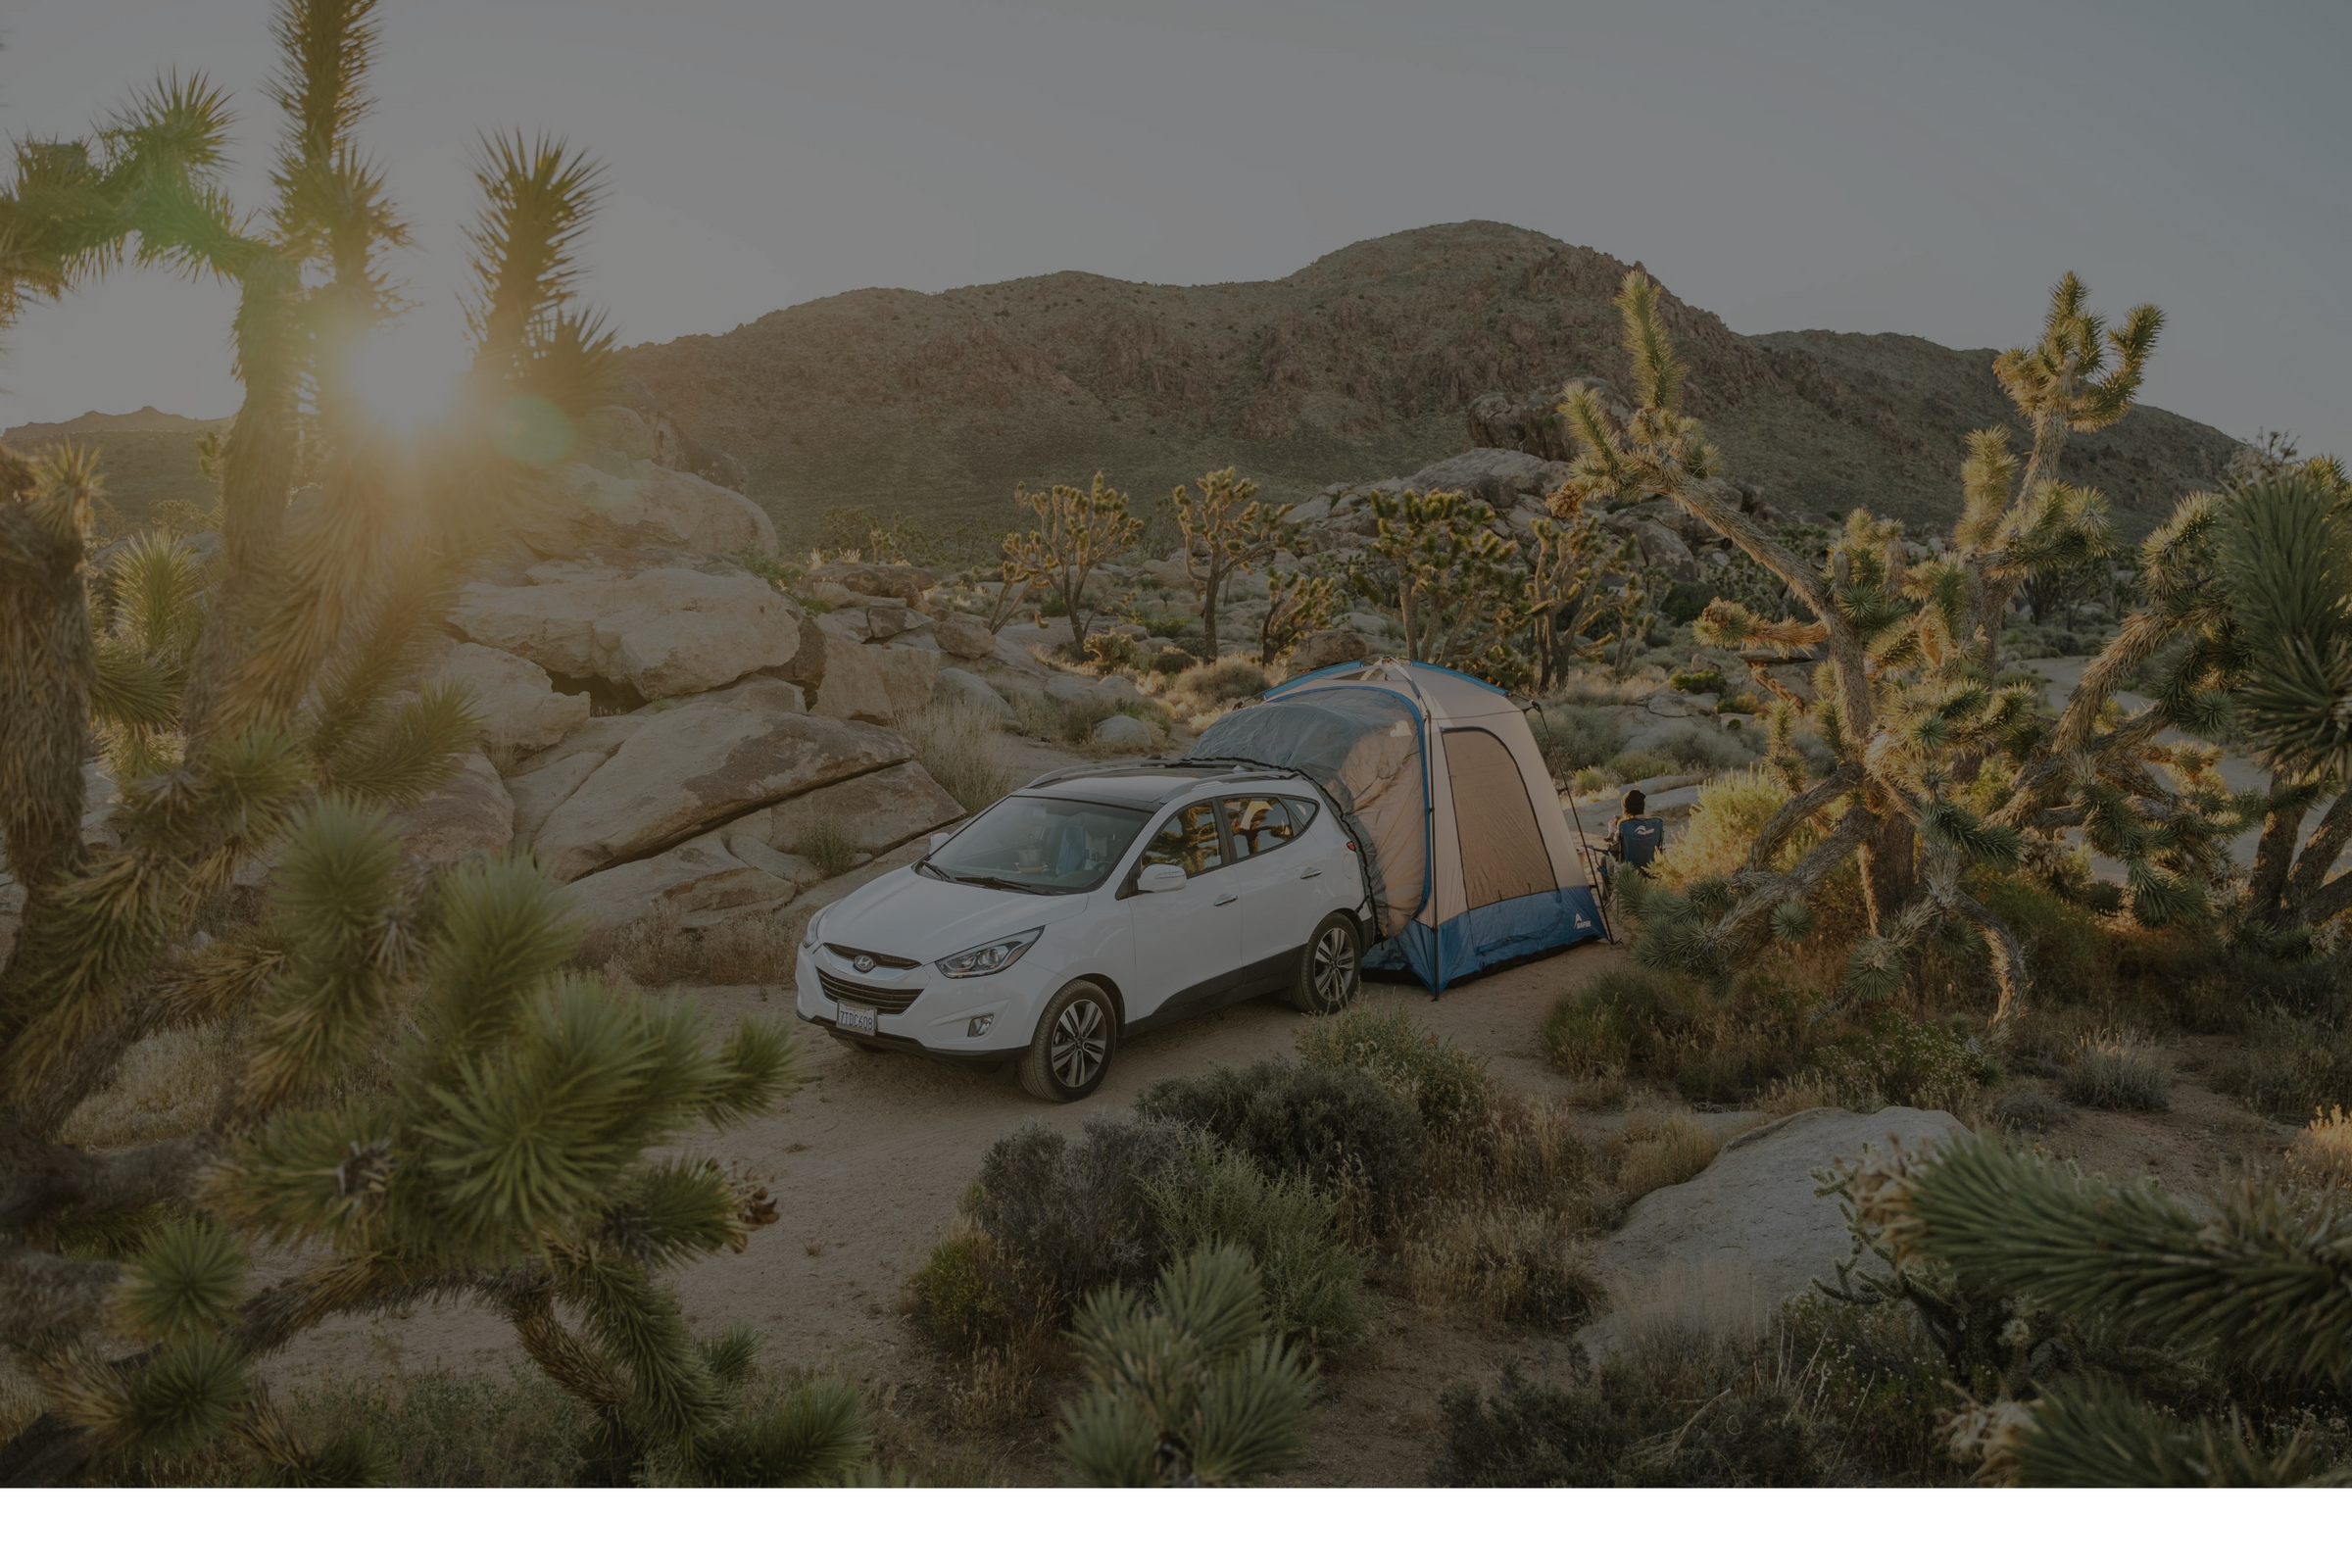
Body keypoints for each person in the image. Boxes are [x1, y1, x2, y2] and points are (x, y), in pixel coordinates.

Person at [1601, 789, 1665, 882]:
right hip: (1652, 871)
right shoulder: (1656, 823)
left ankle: (1606, 896)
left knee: (1604, 859)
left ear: (1625, 809)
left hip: (1629, 874)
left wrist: (1612, 831)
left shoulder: (1624, 826)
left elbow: (1611, 852)